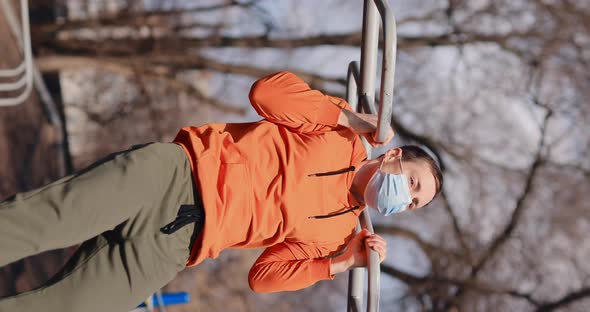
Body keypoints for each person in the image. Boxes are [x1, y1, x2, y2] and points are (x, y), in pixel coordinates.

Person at [0, 71, 443, 312]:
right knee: (45, 221)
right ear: (395, 155)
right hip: (174, 174)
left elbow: (263, 278)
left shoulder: (338, 232)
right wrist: (352, 120)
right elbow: (267, 94)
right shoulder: (338, 130)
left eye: (414, 203)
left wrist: (342, 262)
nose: (404, 199)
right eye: (413, 183)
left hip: (179, 244)